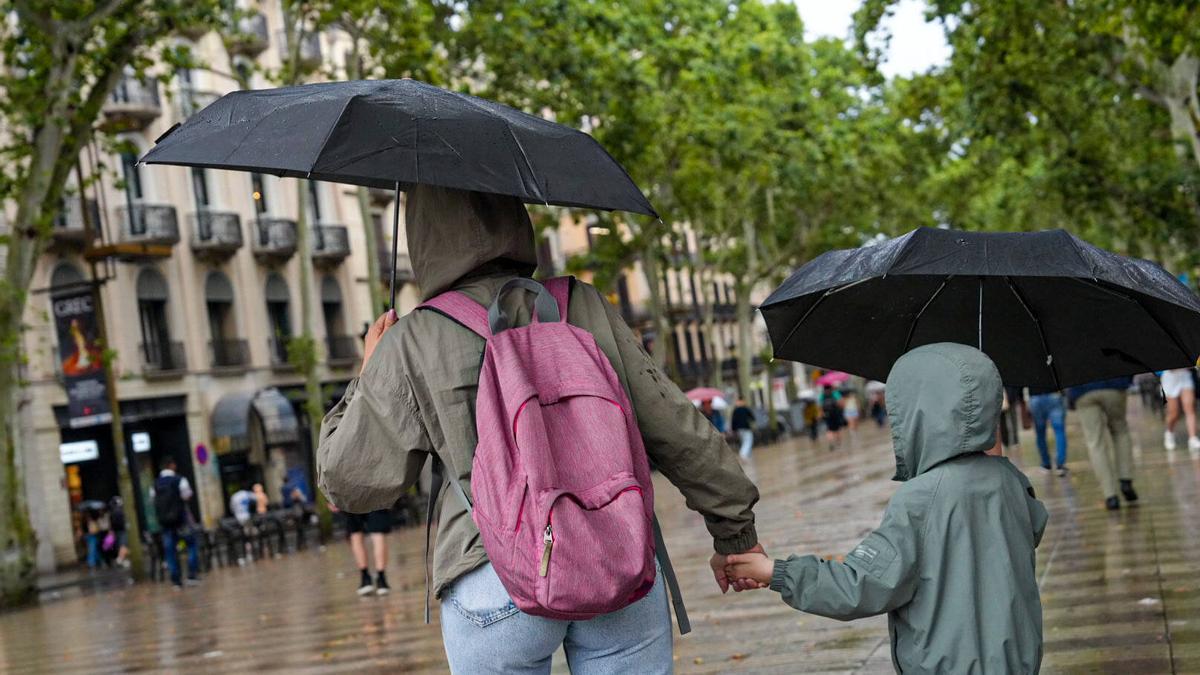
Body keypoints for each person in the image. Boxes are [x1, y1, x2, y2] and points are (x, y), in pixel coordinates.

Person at [317, 185, 760, 674]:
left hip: (490, 573)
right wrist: (735, 534)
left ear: (423, 234)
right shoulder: (583, 304)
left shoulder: (413, 339)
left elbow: (349, 483)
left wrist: (368, 372)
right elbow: (677, 428)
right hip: (614, 553)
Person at [725, 343, 1048, 674]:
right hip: (1016, 660)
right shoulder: (1010, 479)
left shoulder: (919, 499)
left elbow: (861, 584)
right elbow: (1032, 526)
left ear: (916, 412)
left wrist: (775, 572)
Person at [1067, 377, 1138, 510]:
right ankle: (1125, 480)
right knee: (1120, 431)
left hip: (1082, 389)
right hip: (1113, 383)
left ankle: (1110, 496)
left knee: (1095, 442)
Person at [153, 458, 200, 588]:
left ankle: (176, 580)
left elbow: (153, 501)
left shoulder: (155, 484)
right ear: (172, 465)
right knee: (191, 544)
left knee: (170, 551)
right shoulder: (179, 480)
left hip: (165, 523)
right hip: (181, 520)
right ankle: (191, 575)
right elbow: (187, 496)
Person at [332, 503, 393, 596]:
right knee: (378, 534)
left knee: (356, 533)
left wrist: (331, 499)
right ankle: (381, 579)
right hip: (375, 493)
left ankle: (365, 579)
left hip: (351, 495)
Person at [1029, 389, 1068, 475]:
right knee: (1059, 431)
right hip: (1054, 394)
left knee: (1040, 432)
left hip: (1035, 396)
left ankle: (1046, 463)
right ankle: (1060, 464)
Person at [1160, 368, 1200, 452]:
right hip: (1170, 379)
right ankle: (1169, 432)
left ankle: (1192, 438)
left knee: (1190, 408)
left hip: (1185, 376)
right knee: (1174, 413)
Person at [820, 385, 844, 450]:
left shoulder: (822, 396)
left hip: (827, 415)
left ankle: (831, 443)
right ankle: (839, 443)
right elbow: (841, 404)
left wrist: (822, 415)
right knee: (837, 430)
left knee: (829, 430)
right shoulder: (835, 393)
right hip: (836, 414)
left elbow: (820, 407)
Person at [108, 496, 129, 568]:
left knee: (120, 546)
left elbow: (111, 523)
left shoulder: (112, 511)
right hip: (122, 530)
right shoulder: (120, 511)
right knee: (123, 545)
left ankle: (122, 560)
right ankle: (120, 559)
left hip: (116, 531)